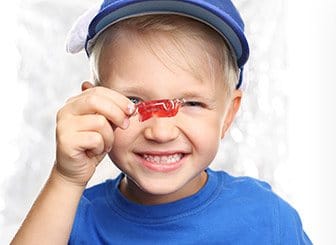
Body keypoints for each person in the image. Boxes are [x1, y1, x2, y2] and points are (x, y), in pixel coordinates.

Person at [12, 0, 312, 244]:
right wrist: (66, 179)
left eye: (192, 103)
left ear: (228, 115)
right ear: (95, 108)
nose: (160, 131)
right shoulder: (67, 220)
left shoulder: (267, 219)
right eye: (134, 102)